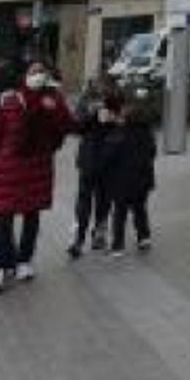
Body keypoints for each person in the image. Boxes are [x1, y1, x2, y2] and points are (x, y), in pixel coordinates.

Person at [0, 61, 77, 294]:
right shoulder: (10, 101)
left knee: (31, 216)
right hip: (8, 169)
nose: (36, 75)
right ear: (24, 76)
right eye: (32, 72)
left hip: (36, 170)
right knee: (2, 220)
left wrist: (54, 106)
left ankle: (24, 261)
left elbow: (68, 127)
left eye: (40, 72)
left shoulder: (52, 100)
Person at [67, 76, 122, 258]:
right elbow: (75, 126)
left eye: (104, 88)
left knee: (104, 197)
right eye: (98, 89)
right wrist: (90, 113)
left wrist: (114, 118)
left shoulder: (117, 97)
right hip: (89, 156)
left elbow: (127, 122)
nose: (101, 92)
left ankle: (99, 232)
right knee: (84, 199)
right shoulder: (86, 99)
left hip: (110, 156)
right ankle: (78, 239)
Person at [102, 96, 157, 257]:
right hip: (143, 180)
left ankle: (118, 245)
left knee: (120, 212)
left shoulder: (120, 133)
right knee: (140, 209)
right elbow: (152, 153)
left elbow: (108, 155)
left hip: (122, 181)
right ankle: (144, 237)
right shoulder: (146, 131)